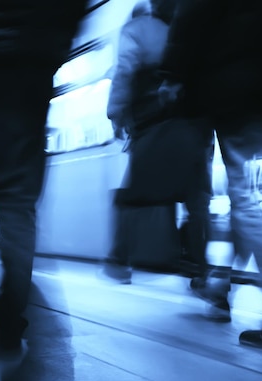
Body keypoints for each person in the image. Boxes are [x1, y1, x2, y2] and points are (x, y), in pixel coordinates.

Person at [0, 0, 87, 356]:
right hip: (32, 62)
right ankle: (13, 301)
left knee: (10, 194)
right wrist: (53, 49)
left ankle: (8, 313)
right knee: (21, 195)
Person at [159, 0, 262, 347]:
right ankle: (220, 285)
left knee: (252, 201)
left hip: (243, 89)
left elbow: (194, 13)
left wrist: (173, 74)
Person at [102, 0, 213, 286]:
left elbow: (124, 70)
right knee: (197, 198)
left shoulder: (138, 28)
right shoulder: (200, 24)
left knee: (132, 195)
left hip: (154, 122)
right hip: (196, 124)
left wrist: (116, 113)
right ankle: (199, 268)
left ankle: (119, 258)